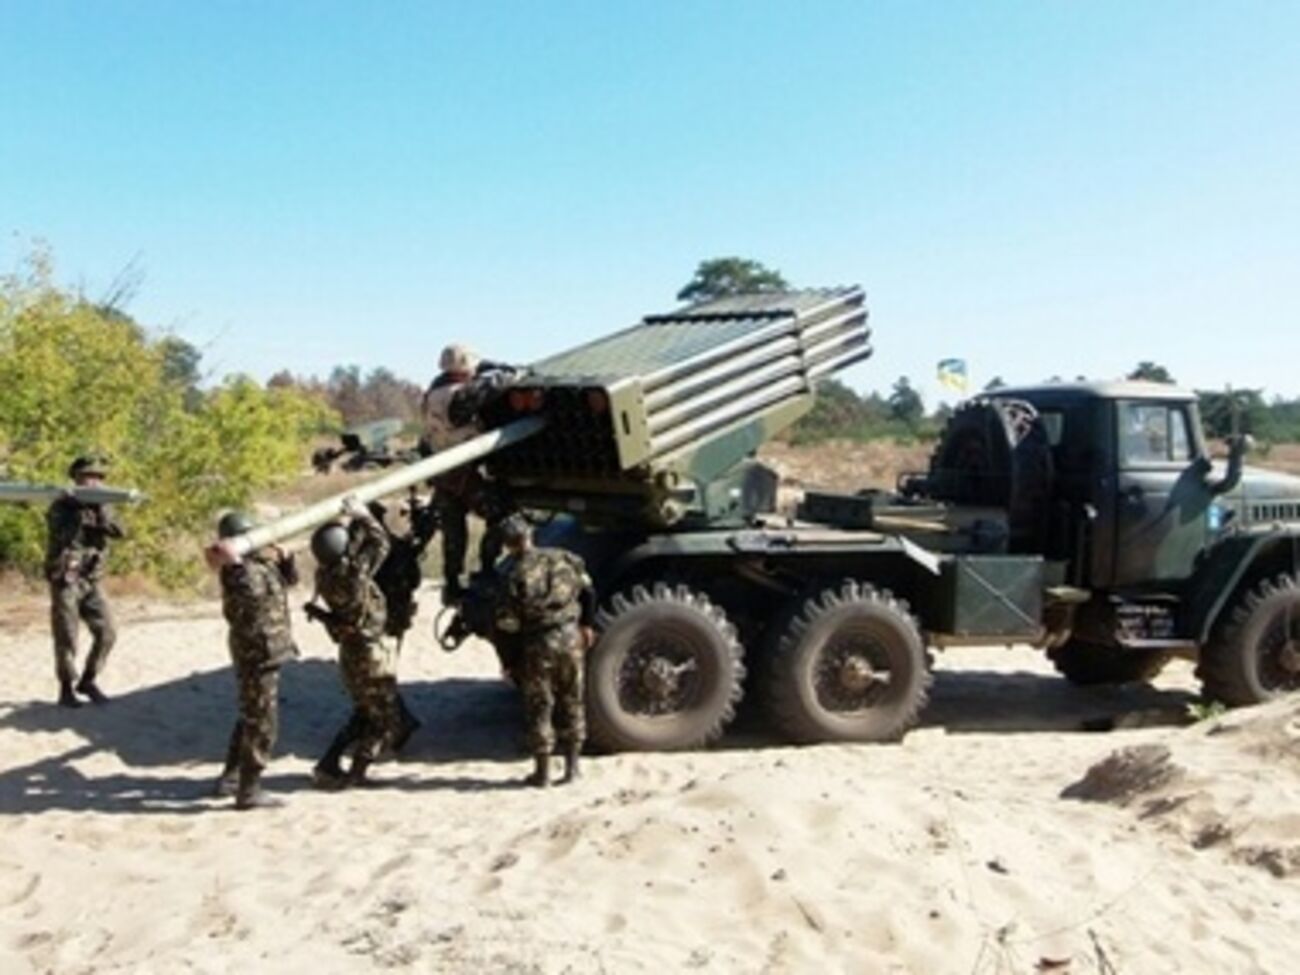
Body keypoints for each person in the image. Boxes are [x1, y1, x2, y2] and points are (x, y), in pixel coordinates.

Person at [493, 514, 596, 788]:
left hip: (538, 644)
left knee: (540, 706)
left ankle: (543, 773)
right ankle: (573, 768)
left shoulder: (512, 574)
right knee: (573, 700)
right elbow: (588, 592)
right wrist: (587, 624)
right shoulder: (563, 558)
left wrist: (509, 661)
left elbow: (506, 626)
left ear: (507, 544)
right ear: (530, 535)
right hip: (571, 637)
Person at [305, 498, 402, 788]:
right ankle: (357, 773)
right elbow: (381, 544)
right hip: (370, 651)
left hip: (350, 652)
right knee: (384, 719)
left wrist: (348, 524)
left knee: (363, 712)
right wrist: (366, 516)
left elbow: (346, 549)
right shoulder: (354, 574)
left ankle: (329, 762)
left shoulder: (324, 575)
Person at [208, 511, 300, 811]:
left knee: (251, 714)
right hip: (257, 653)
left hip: (266, 650)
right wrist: (233, 561)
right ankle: (249, 790)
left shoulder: (260, 565)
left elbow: (288, 583)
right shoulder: (238, 573)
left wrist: (286, 562)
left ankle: (231, 777)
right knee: (262, 723)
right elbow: (250, 595)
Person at [422, 343, 518, 601]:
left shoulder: (433, 390)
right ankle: (487, 570)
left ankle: (452, 584)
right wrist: (491, 367)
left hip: (442, 471)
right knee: (501, 515)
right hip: (464, 472)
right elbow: (504, 378)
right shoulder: (461, 394)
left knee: (454, 533)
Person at [45, 455, 124, 707]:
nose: (94, 481)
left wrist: (100, 510)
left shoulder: (103, 505)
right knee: (66, 636)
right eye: (88, 476)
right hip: (67, 579)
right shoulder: (62, 505)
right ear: (76, 478)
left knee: (108, 632)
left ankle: (88, 680)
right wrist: (78, 507)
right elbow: (63, 533)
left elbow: (120, 531)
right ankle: (66, 688)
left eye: (98, 477)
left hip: (91, 579)